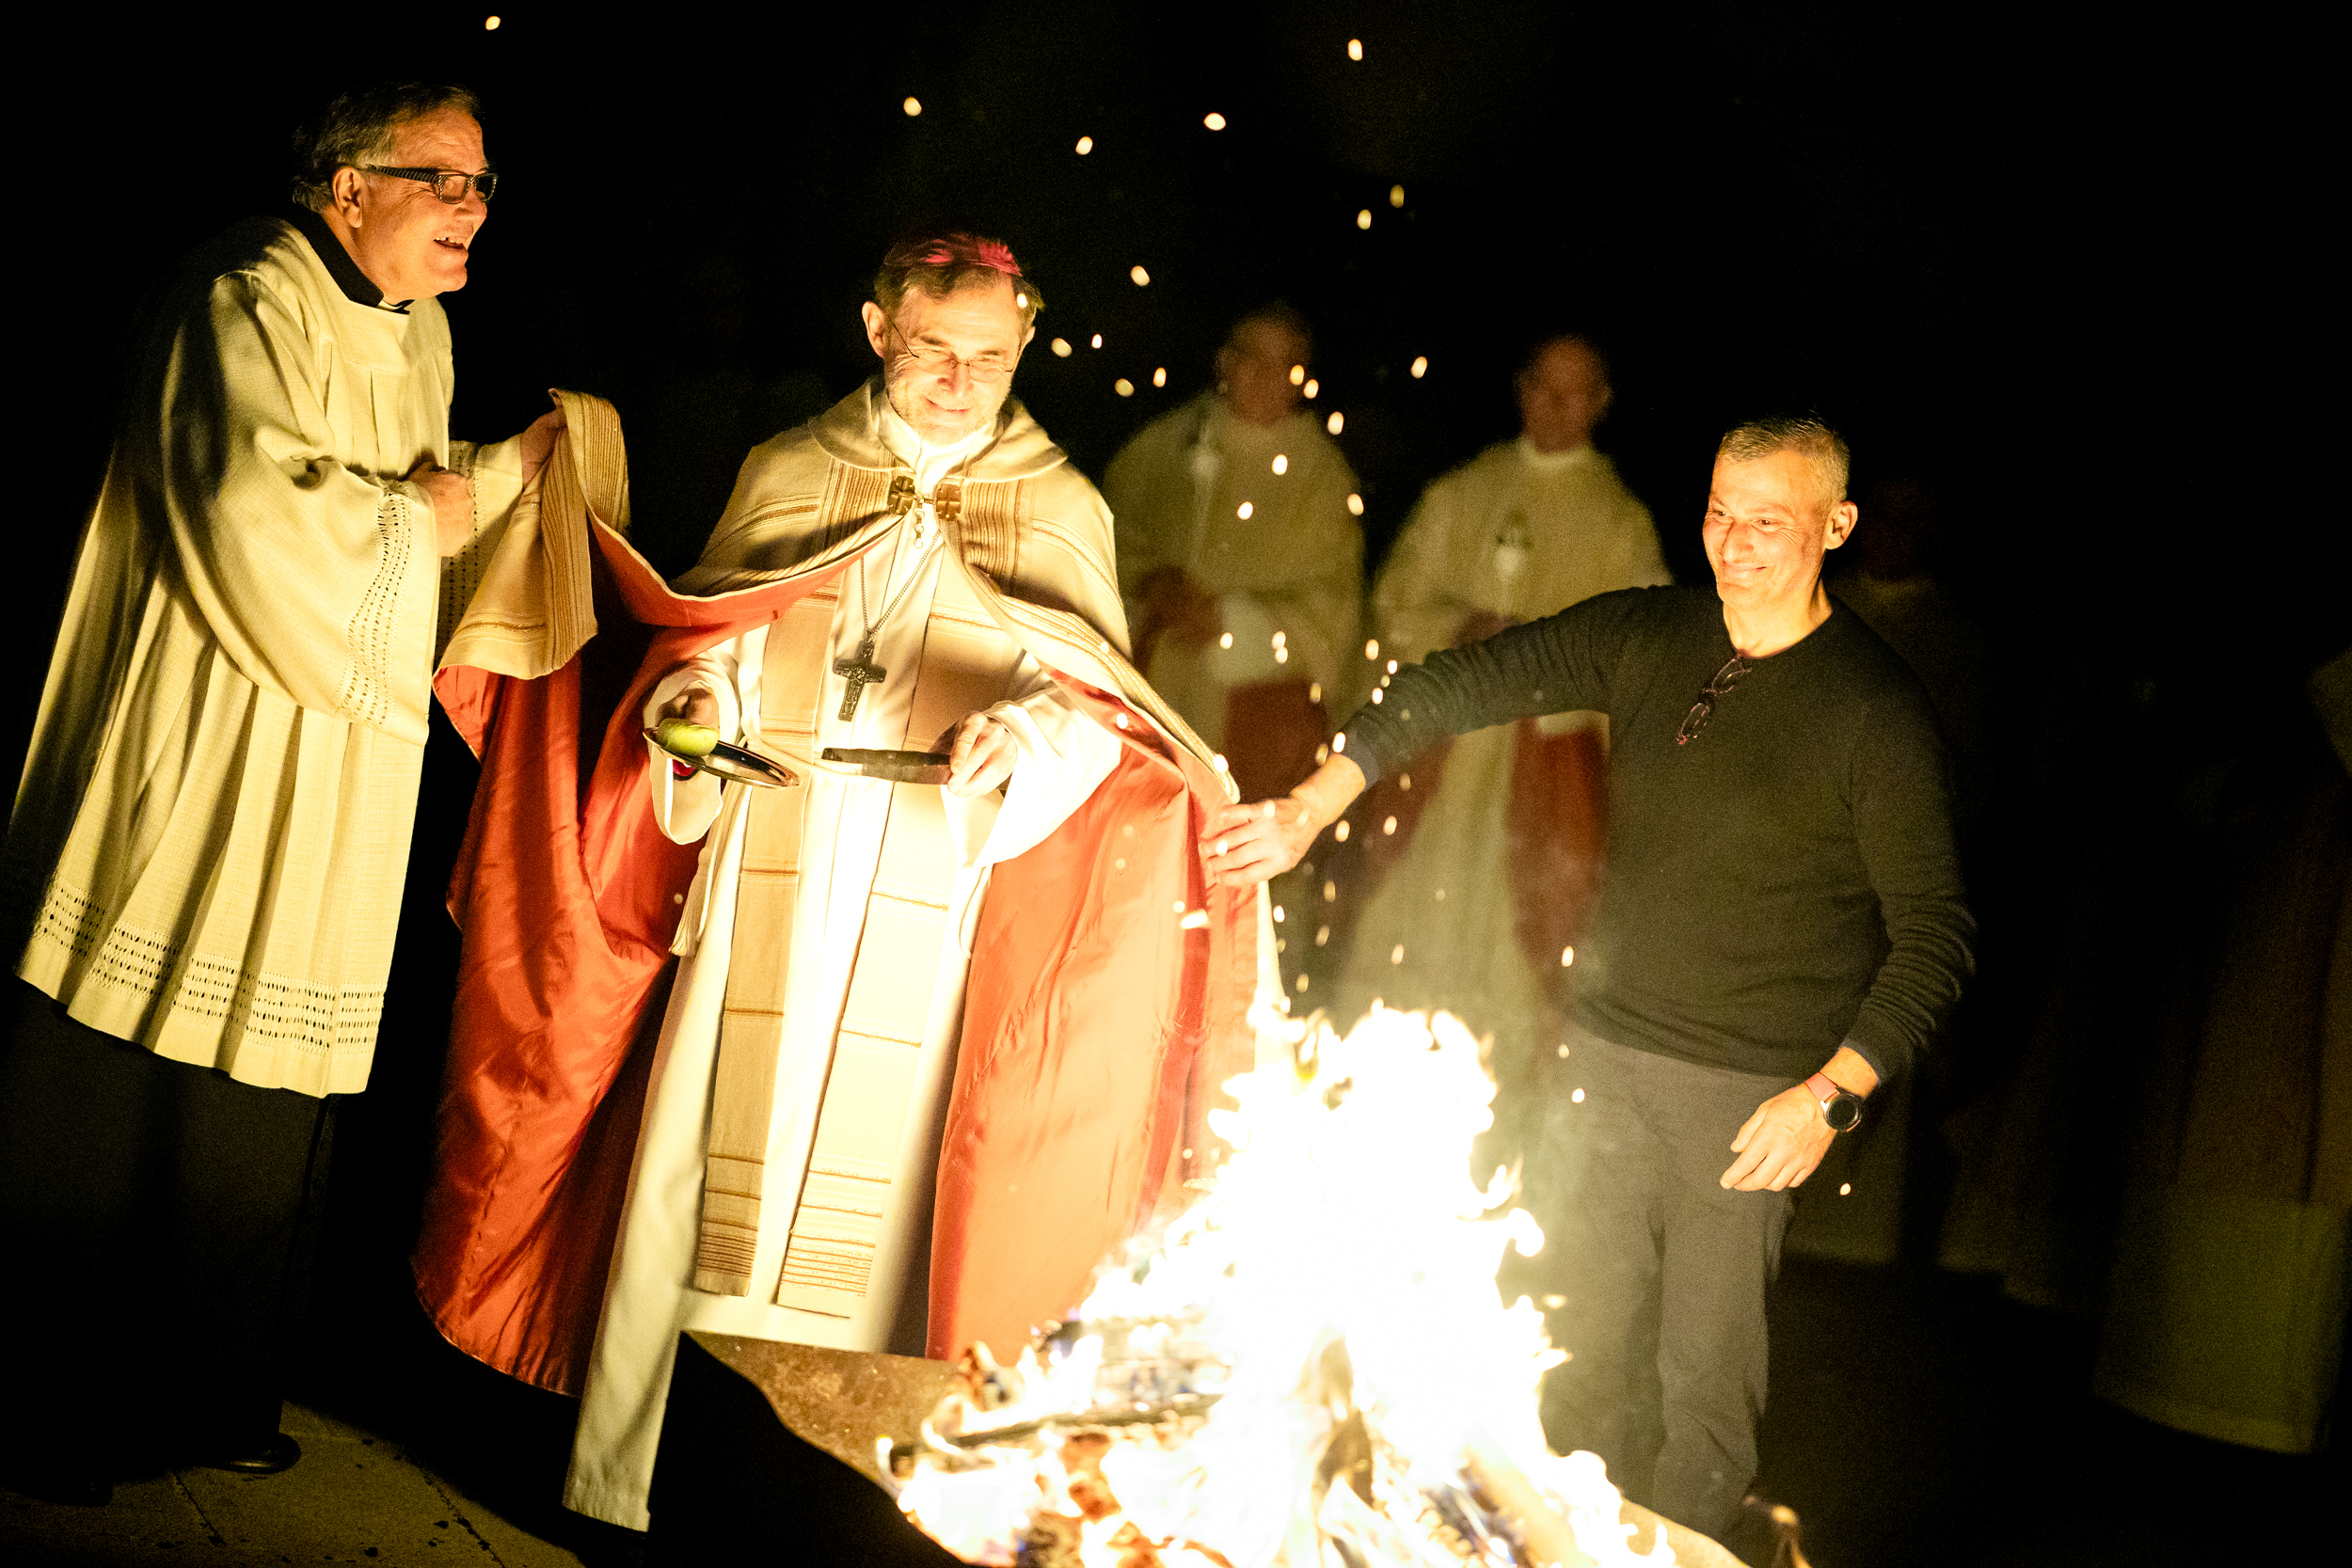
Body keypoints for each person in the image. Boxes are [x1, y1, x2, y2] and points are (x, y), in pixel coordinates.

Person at [406, 234, 1262, 1536]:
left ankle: (819, 1510)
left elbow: (1097, 716)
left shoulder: (1063, 507)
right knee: (706, 1172)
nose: (960, 382)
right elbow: (711, 639)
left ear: (1024, 346)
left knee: (880, 1208)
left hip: (931, 872)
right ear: (876, 330)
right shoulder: (792, 468)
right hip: (776, 852)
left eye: (989, 358)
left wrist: (1020, 738)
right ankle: (647, 1488)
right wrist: (697, 708)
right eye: (933, 352)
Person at [1200, 416, 1973, 1538]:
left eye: (1768, 521)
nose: (1733, 543)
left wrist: (1828, 1093)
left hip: (1747, 1098)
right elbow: (1462, 680)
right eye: (1719, 513)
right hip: (1600, 1060)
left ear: (1836, 525)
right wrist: (1313, 805)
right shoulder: (1651, 631)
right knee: (1567, 1349)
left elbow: (1937, 934)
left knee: (1702, 1389)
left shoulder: (1872, 714)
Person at [0, 82, 560, 1493]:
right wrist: (428, 511)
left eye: (483, 185)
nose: (473, 210)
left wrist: (500, 485)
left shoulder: (419, 327)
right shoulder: (242, 297)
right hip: (207, 728)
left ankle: (199, 1395)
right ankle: (50, 1407)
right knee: (129, 1067)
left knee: (269, 1078)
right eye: (444, 181)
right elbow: (245, 509)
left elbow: (419, 508)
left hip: (330, 755)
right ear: (347, 184)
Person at [1333, 336, 1668, 1124]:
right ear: (1521, 389)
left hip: (1545, 775)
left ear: (1601, 403)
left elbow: (1642, 656)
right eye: (1543, 386)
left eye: (1574, 391)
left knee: (1516, 956)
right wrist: (1457, 631)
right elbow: (1393, 607)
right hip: (1440, 769)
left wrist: (1543, 666)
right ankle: (1368, 1099)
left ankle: (1498, 1124)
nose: (1555, 405)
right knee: (1405, 925)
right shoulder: (1462, 493)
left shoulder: (1620, 523)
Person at [1104, 303, 1364, 802]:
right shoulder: (1163, 445)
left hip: (1252, 718)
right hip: (1146, 691)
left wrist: (1234, 624)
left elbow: (1337, 615)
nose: (1267, 377)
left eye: (1285, 365)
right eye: (1253, 357)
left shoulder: (1324, 480)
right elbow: (1108, 539)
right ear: (1225, 360)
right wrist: (1150, 583)